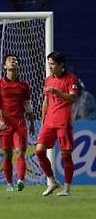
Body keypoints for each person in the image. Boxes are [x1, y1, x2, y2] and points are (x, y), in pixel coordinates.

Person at [0, 54, 35, 192]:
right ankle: (9, 184)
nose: (13, 61)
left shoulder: (24, 85)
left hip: (20, 122)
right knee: (7, 154)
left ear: (18, 65)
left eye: (15, 60)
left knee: (20, 152)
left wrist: (32, 122)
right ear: (5, 66)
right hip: (6, 124)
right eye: (10, 60)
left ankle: (21, 180)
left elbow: (27, 104)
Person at [36, 52, 78, 196]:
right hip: (49, 122)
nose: (50, 67)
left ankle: (66, 189)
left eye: (53, 64)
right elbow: (46, 102)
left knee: (66, 155)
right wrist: (42, 121)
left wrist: (57, 92)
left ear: (61, 65)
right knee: (39, 151)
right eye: (49, 64)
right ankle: (52, 182)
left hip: (63, 122)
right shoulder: (48, 80)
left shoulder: (71, 78)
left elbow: (73, 98)